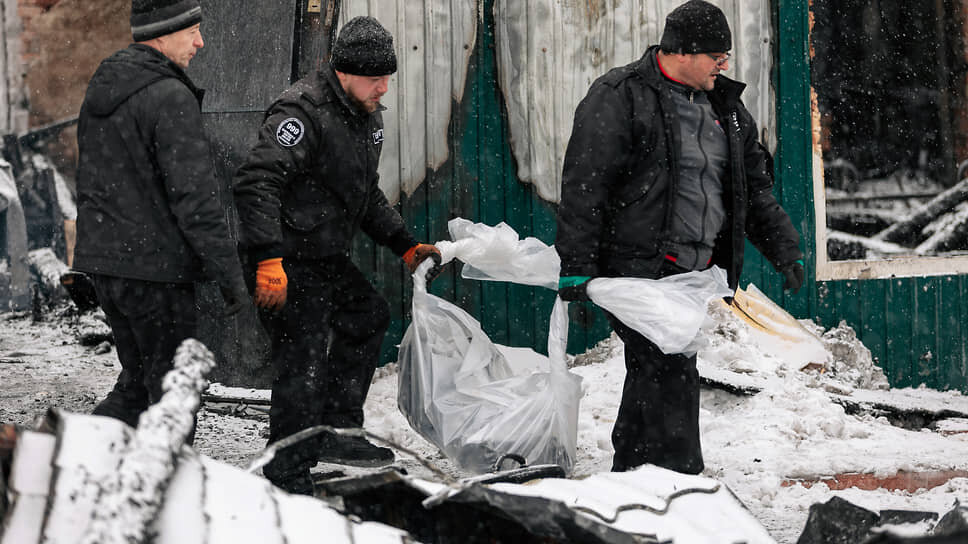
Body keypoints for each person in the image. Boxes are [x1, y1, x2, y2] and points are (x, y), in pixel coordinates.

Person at [555, 0, 804, 475]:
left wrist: (783, 249)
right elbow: (586, 184)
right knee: (665, 365)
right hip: (636, 266)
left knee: (658, 369)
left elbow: (752, 189)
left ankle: (635, 476)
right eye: (717, 54)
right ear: (685, 51)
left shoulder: (726, 108)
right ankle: (678, 475)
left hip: (694, 270)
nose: (725, 64)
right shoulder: (621, 95)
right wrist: (578, 268)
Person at [233, 16, 441, 495]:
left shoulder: (365, 115)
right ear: (345, 72)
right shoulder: (301, 113)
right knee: (302, 356)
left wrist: (404, 244)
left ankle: (338, 431)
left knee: (368, 314)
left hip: (323, 255)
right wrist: (267, 258)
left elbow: (364, 195)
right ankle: (287, 473)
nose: (384, 89)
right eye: (375, 79)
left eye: (388, 78)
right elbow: (255, 182)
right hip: (284, 260)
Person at [74, 0, 249, 432]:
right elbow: (196, 200)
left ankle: (83, 460)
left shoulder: (106, 86)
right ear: (163, 33)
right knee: (174, 398)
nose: (200, 41)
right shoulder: (169, 95)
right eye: (192, 31)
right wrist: (231, 277)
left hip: (110, 269)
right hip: (156, 275)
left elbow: (97, 181)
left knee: (136, 387)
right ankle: (170, 491)